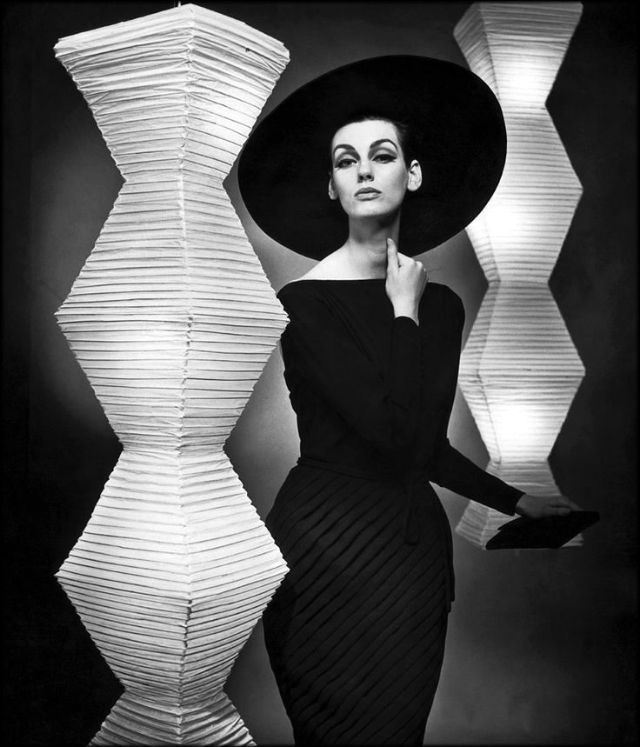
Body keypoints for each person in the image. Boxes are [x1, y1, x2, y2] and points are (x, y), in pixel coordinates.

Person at [238, 56, 578, 746]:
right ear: (332, 187)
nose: (364, 171)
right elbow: (387, 432)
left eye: (382, 155)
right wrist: (400, 312)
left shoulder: (441, 305)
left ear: (412, 174)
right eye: (346, 161)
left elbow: (425, 447)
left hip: (407, 558)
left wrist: (518, 502)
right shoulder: (302, 302)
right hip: (322, 548)